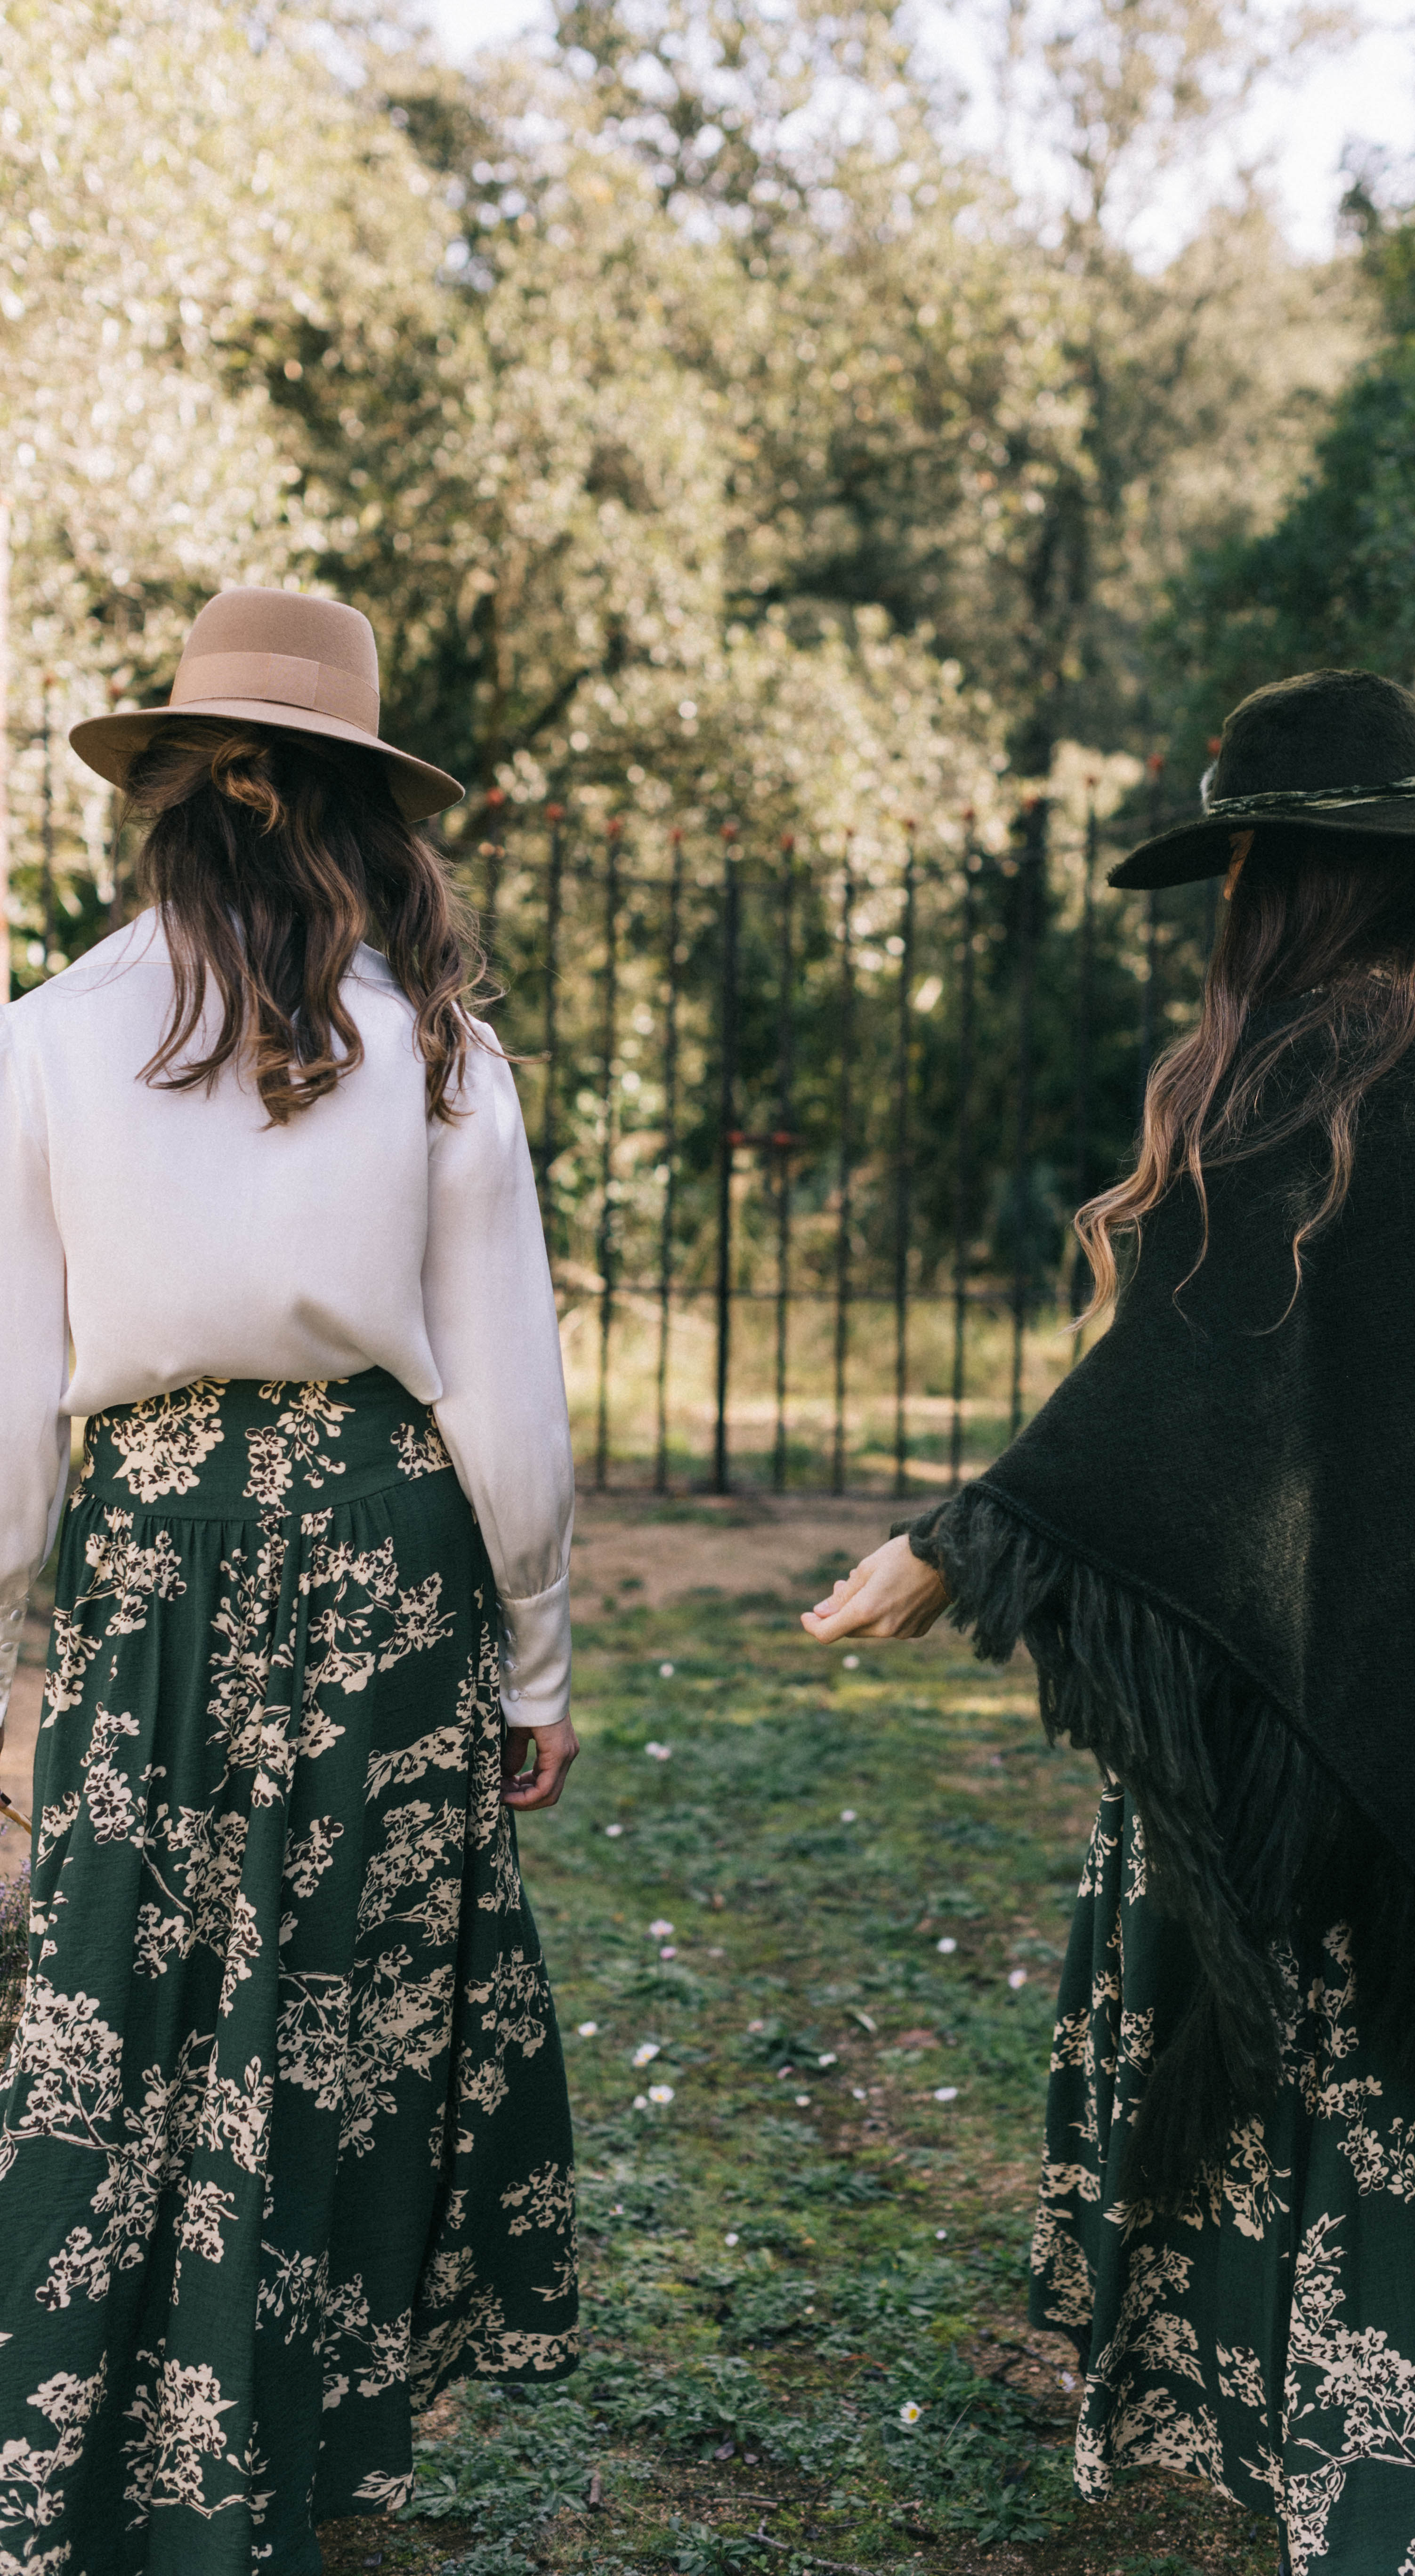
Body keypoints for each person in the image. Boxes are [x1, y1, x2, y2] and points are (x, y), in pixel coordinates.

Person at [804, 668, 1415, 2574]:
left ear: (1277, 884)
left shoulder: (1349, 1094)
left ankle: (1376, 2490)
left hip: (1317, 1762)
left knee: (1341, 2077)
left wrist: (969, 1540)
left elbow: (1185, 1401)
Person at [0, 587, 580, 2575]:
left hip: (149, 1552)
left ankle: (98, 2452)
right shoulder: (437, 1061)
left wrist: (11, 1678)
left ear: (166, 805)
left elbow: (6, 1428)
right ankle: (292, 2453)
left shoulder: (48, 1042)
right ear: (370, 821)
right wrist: (535, 1656)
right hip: (381, 1551)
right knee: (331, 2005)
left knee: (127, 1995)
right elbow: (505, 1394)